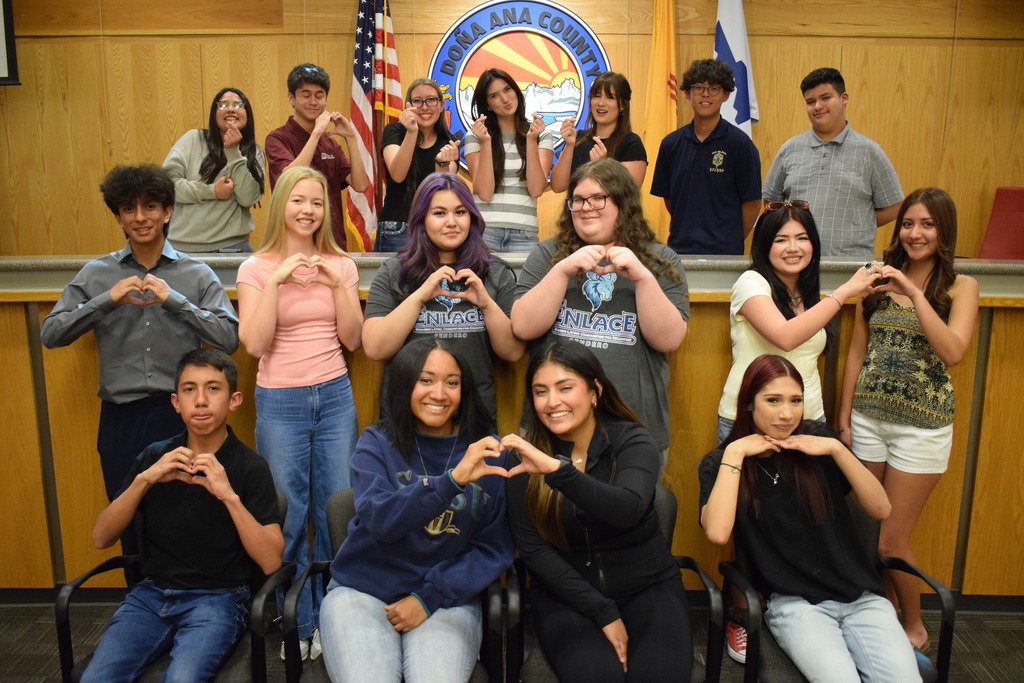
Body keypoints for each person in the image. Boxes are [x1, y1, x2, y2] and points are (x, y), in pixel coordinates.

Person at [40, 164, 239, 567]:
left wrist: (175, 301)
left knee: (188, 517)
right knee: (129, 518)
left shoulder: (195, 273)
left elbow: (229, 338)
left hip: (181, 418)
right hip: (121, 419)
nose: (140, 217)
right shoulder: (98, 274)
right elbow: (51, 332)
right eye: (128, 209)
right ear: (118, 217)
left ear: (167, 211)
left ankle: (194, 607)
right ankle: (141, 609)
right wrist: (105, 301)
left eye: (150, 207)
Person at [699, 354, 921, 683]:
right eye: (772, 400)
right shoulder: (722, 463)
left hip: (862, 599)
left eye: (795, 401)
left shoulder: (819, 442)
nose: (786, 413)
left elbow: (881, 509)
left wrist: (837, 450)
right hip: (796, 605)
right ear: (748, 403)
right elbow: (717, 533)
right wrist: (734, 453)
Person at [81, 349, 284, 683]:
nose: (200, 400)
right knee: (96, 678)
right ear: (176, 402)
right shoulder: (155, 457)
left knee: (182, 679)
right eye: (189, 390)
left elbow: (271, 562)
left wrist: (228, 495)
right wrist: (144, 480)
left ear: (234, 400)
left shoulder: (250, 467)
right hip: (150, 596)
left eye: (213, 388)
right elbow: (101, 538)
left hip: (217, 600)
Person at [318, 338, 514, 682]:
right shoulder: (375, 443)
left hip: (445, 599)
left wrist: (428, 598)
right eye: (425, 380)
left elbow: (492, 548)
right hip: (362, 591)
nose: (439, 393)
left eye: (451, 383)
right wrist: (450, 482)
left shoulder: (488, 453)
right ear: (405, 384)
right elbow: (380, 520)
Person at [838, 188, 978, 653]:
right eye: (908, 223)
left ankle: (915, 626)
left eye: (928, 225)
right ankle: (885, 613)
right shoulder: (874, 279)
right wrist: (844, 418)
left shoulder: (960, 287)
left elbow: (953, 352)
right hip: (868, 421)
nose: (915, 233)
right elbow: (857, 350)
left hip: (922, 429)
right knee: (865, 533)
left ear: (944, 232)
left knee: (891, 542)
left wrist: (915, 292)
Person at [503, 340, 693, 682]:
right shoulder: (523, 457)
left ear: (595, 391)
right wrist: (602, 611)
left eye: (565, 388)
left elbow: (628, 509)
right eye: (540, 391)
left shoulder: (632, 441)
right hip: (568, 597)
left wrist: (558, 472)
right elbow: (533, 551)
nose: (552, 402)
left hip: (648, 587)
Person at [236, 165, 363, 661]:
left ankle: (333, 623)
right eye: (298, 201)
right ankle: (297, 623)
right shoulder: (256, 268)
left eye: (316, 202)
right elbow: (253, 343)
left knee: (335, 514)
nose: (308, 210)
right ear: (281, 206)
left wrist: (335, 283)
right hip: (281, 401)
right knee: (289, 518)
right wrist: (277, 283)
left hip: (334, 396)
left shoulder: (342, 264)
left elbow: (353, 339)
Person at [512, 158, 689, 462]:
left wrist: (643, 277)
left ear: (623, 203)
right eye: (578, 200)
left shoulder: (660, 259)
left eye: (598, 198)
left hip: (634, 432)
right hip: (552, 429)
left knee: (635, 509)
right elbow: (523, 327)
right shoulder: (547, 255)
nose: (586, 207)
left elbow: (669, 340)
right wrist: (562, 271)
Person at [362, 172, 525, 420]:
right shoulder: (395, 271)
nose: (452, 222)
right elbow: (374, 347)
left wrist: (487, 305)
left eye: (460, 212)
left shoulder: (495, 272)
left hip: (474, 416)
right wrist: (418, 297)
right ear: (421, 219)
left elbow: (512, 352)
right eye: (439, 213)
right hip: (405, 416)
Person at [717, 200, 879, 445]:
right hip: (750, 420)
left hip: (810, 419)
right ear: (764, 245)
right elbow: (786, 337)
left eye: (802, 238)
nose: (793, 248)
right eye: (781, 240)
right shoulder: (750, 282)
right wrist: (845, 291)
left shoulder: (809, 293)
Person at [762, 67, 904, 257]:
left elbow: (895, 206)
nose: (817, 106)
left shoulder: (870, 152)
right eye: (810, 102)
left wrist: (859, 222)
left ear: (844, 98)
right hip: (796, 262)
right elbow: (770, 202)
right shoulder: (790, 149)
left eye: (825, 98)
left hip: (851, 264)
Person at [651, 59, 762, 255]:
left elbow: (752, 203)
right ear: (687, 93)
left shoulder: (740, 144)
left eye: (714, 89)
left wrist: (730, 238)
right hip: (679, 250)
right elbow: (670, 199)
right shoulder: (670, 144)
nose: (705, 94)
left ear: (725, 94)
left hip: (726, 254)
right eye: (699, 88)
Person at [265, 63, 369, 250]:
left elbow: (360, 185)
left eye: (319, 96)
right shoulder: (277, 139)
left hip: (332, 242)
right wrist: (316, 133)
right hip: (293, 244)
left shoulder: (330, 143)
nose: (313, 101)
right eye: (306, 95)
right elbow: (291, 179)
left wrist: (351, 138)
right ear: (291, 98)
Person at [162, 87, 266, 253]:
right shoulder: (193, 139)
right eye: (223, 104)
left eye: (239, 105)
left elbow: (248, 198)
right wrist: (211, 191)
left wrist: (233, 152)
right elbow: (165, 186)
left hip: (231, 248)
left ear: (248, 114)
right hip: (181, 248)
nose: (231, 109)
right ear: (213, 112)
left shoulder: (255, 153)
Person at [465, 68, 554, 252]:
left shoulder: (541, 134)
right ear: (488, 105)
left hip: (525, 233)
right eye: (495, 95)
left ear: (515, 90)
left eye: (507, 89)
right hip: (485, 232)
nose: (505, 99)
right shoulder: (476, 136)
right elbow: (484, 192)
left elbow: (536, 189)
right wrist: (486, 142)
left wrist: (530, 140)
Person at [376, 78, 462, 251]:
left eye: (431, 100)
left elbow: (444, 190)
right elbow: (398, 174)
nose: (424, 107)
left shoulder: (450, 141)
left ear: (441, 104)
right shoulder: (394, 131)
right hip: (396, 227)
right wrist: (411, 132)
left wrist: (442, 162)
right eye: (418, 101)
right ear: (408, 105)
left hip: (434, 228)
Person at [549, 71, 647, 193]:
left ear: (622, 105)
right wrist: (569, 145)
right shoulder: (579, 138)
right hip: (578, 210)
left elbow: (628, 194)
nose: (601, 103)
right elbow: (558, 186)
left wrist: (602, 166)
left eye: (610, 97)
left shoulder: (631, 143)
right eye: (596, 96)